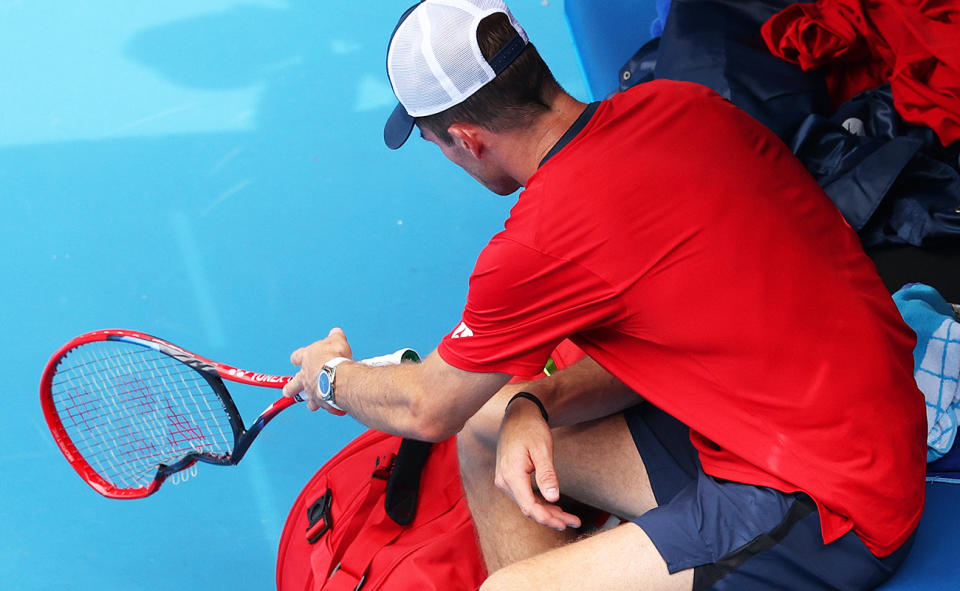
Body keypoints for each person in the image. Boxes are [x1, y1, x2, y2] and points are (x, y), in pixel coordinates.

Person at [282, 1, 927, 589]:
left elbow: (427, 409)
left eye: (435, 143)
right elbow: (675, 342)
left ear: (468, 140)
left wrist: (331, 377)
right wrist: (534, 397)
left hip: (832, 500)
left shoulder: (540, 243)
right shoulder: (681, 104)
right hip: (829, 415)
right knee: (489, 418)